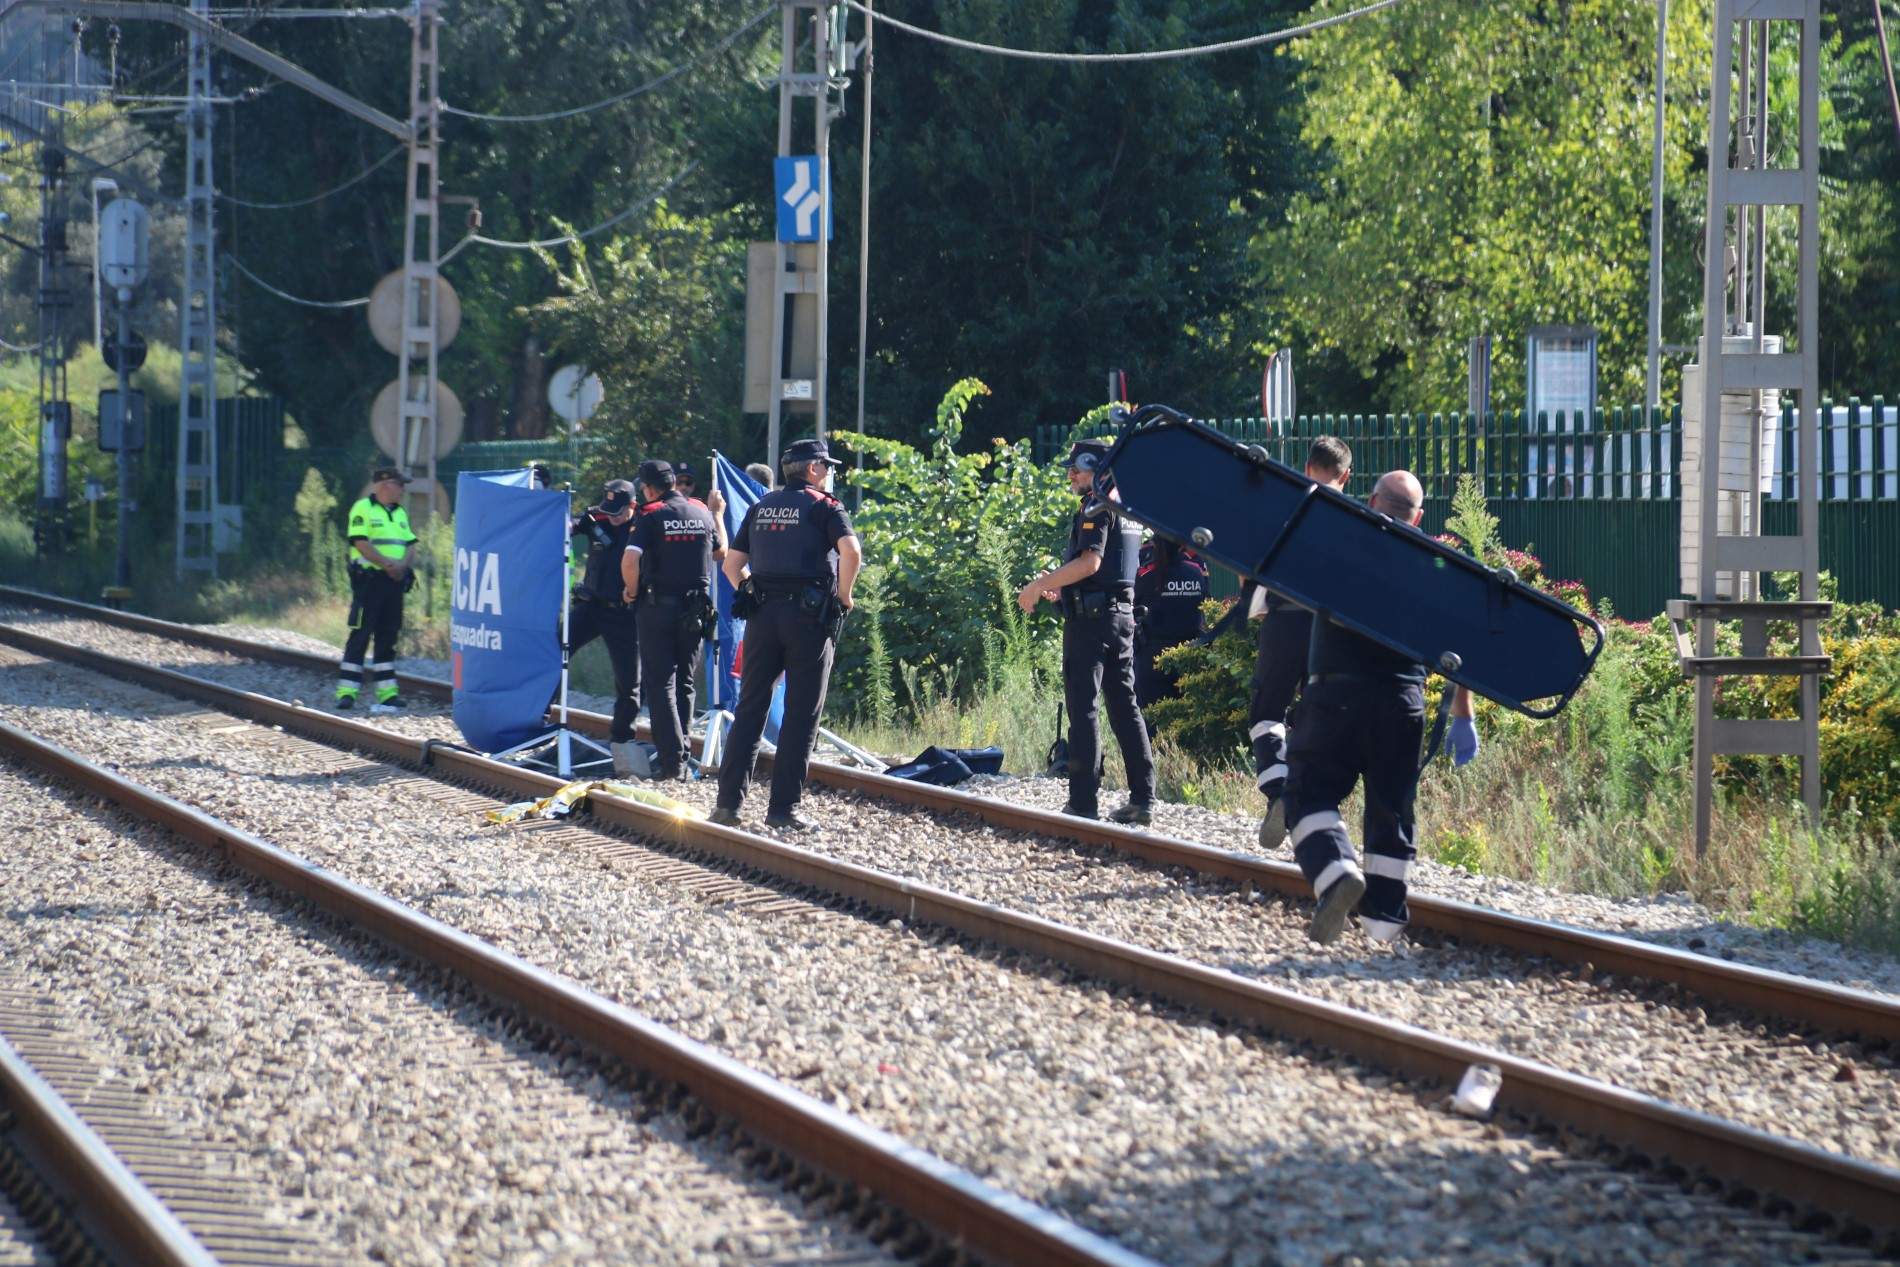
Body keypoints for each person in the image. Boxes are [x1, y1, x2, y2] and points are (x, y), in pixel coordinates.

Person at [1282, 469, 1478, 946]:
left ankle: (1334, 872)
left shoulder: (1339, 544)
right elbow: (1461, 646)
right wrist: (1463, 716)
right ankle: (1384, 927)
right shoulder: (1436, 563)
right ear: (1419, 516)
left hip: (1336, 695)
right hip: (1401, 702)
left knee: (1307, 794)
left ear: (1372, 501)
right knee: (1392, 810)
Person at [710, 437, 862, 830]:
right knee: (801, 713)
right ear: (812, 469)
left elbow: (732, 565)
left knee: (750, 708)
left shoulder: (762, 507)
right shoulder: (825, 507)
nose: (829, 473)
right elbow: (852, 553)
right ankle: (783, 810)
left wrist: (752, 589)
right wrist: (844, 596)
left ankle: (727, 806)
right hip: (809, 620)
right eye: (826, 466)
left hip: (762, 617)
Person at [1017, 439, 1155, 824]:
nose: (1070, 474)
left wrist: (1038, 584)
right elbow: (1111, 569)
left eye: (1077, 467)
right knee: (1125, 706)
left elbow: (1090, 562)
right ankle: (1143, 798)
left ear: (1098, 468)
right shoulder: (1128, 508)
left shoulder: (1097, 505)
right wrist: (1062, 589)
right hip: (1122, 619)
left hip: (1092, 625)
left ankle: (1082, 801)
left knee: (1084, 708)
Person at [1250, 437, 1353, 849]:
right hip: (1330, 630)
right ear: (1345, 475)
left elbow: (1251, 564)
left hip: (1283, 621)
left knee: (1266, 710)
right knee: (1317, 714)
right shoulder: (1355, 516)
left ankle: (1278, 792)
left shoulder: (1285, 506)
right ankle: (1314, 806)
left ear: (1307, 467)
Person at [623, 459, 725, 781]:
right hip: (695, 612)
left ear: (650, 488)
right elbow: (721, 552)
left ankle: (672, 763)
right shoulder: (700, 511)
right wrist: (719, 515)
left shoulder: (651, 515)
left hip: (657, 608)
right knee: (685, 682)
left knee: (660, 683)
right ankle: (681, 753)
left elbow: (630, 560)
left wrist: (630, 591)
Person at [568, 478, 643, 767]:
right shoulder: (597, 517)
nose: (612, 518)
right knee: (554, 650)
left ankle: (622, 739)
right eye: (608, 510)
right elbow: (572, 525)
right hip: (591, 607)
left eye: (618, 512)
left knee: (629, 681)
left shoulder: (643, 526)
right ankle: (537, 715)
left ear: (632, 506)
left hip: (624, 614)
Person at [335, 467, 418, 712]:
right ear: (384, 485)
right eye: (400, 484)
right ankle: (347, 692)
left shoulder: (400, 513)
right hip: (369, 583)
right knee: (360, 635)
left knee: (388, 637)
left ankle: (387, 694)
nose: (403, 489)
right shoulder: (362, 509)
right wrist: (387, 565)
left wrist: (401, 566)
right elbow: (361, 543)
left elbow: (411, 544)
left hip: (393, 583)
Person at [1133, 536, 1208, 718]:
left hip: (1153, 659)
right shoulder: (1196, 572)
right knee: (1189, 722)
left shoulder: (1146, 574)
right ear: (1182, 545)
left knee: (1152, 724)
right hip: (1190, 659)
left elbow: (1133, 605)